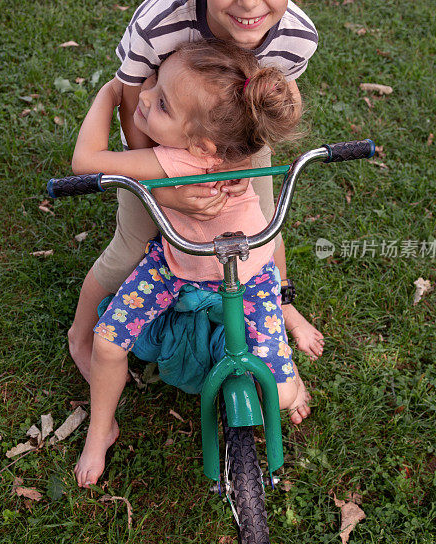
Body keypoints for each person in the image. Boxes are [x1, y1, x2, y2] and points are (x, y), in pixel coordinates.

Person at [68, 0, 327, 401]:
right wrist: (164, 188)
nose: (250, 0)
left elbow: (265, 113)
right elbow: (133, 101)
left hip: (236, 144)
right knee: (136, 242)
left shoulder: (297, 39)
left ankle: (277, 303)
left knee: (262, 233)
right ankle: (81, 332)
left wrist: (237, 171)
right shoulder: (158, 25)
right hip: (156, 142)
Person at [73, 40, 322, 488]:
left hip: (244, 276)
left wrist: (110, 94)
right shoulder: (236, 138)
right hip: (177, 265)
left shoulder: (178, 155)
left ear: (204, 146)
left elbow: (84, 161)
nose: (143, 97)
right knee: (109, 342)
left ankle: (292, 375)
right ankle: (99, 430)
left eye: (162, 102)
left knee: (281, 396)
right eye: (152, 85)